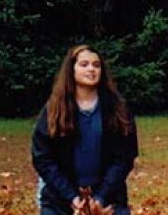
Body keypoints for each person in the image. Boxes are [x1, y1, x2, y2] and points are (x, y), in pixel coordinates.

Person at [32, 45, 138, 215]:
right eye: (84, 64)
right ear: (71, 70)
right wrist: (72, 198)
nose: (91, 69)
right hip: (60, 200)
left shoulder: (118, 109)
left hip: (108, 199)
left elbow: (124, 158)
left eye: (96, 65)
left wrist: (100, 198)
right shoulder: (53, 110)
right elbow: (43, 158)